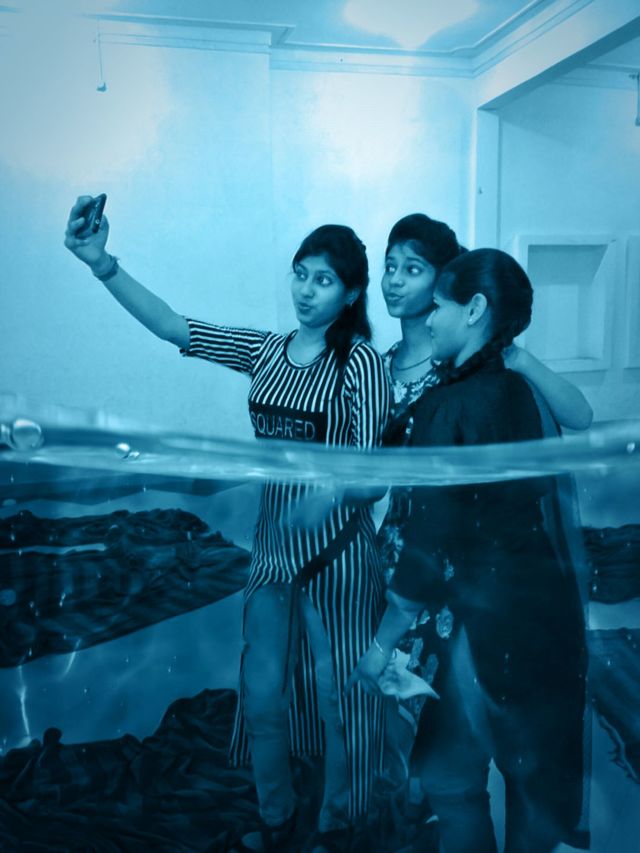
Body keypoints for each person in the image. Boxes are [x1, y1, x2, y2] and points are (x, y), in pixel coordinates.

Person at [64, 198, 390, 852]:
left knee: (341, 699)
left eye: (324, 280)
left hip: (339, 557)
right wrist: (102, 264)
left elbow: (374, 471)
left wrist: (328, 495)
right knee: (262, 693)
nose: (306, 290)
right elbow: (176, 327)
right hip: (272, 552)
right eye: (301, 273)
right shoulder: (266, 350)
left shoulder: (360, 363)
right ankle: (277, 817)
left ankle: (339, 825)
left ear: (352, 293)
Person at [350, 248, 587, 852]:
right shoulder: (525, 392)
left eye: (439, 306)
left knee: (451, 780)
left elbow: (428, 547)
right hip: (544, 609)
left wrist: (377, 649)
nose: (429, 320)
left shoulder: (447, 405)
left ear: (475, 309)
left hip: (484, 622)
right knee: (532, 781)